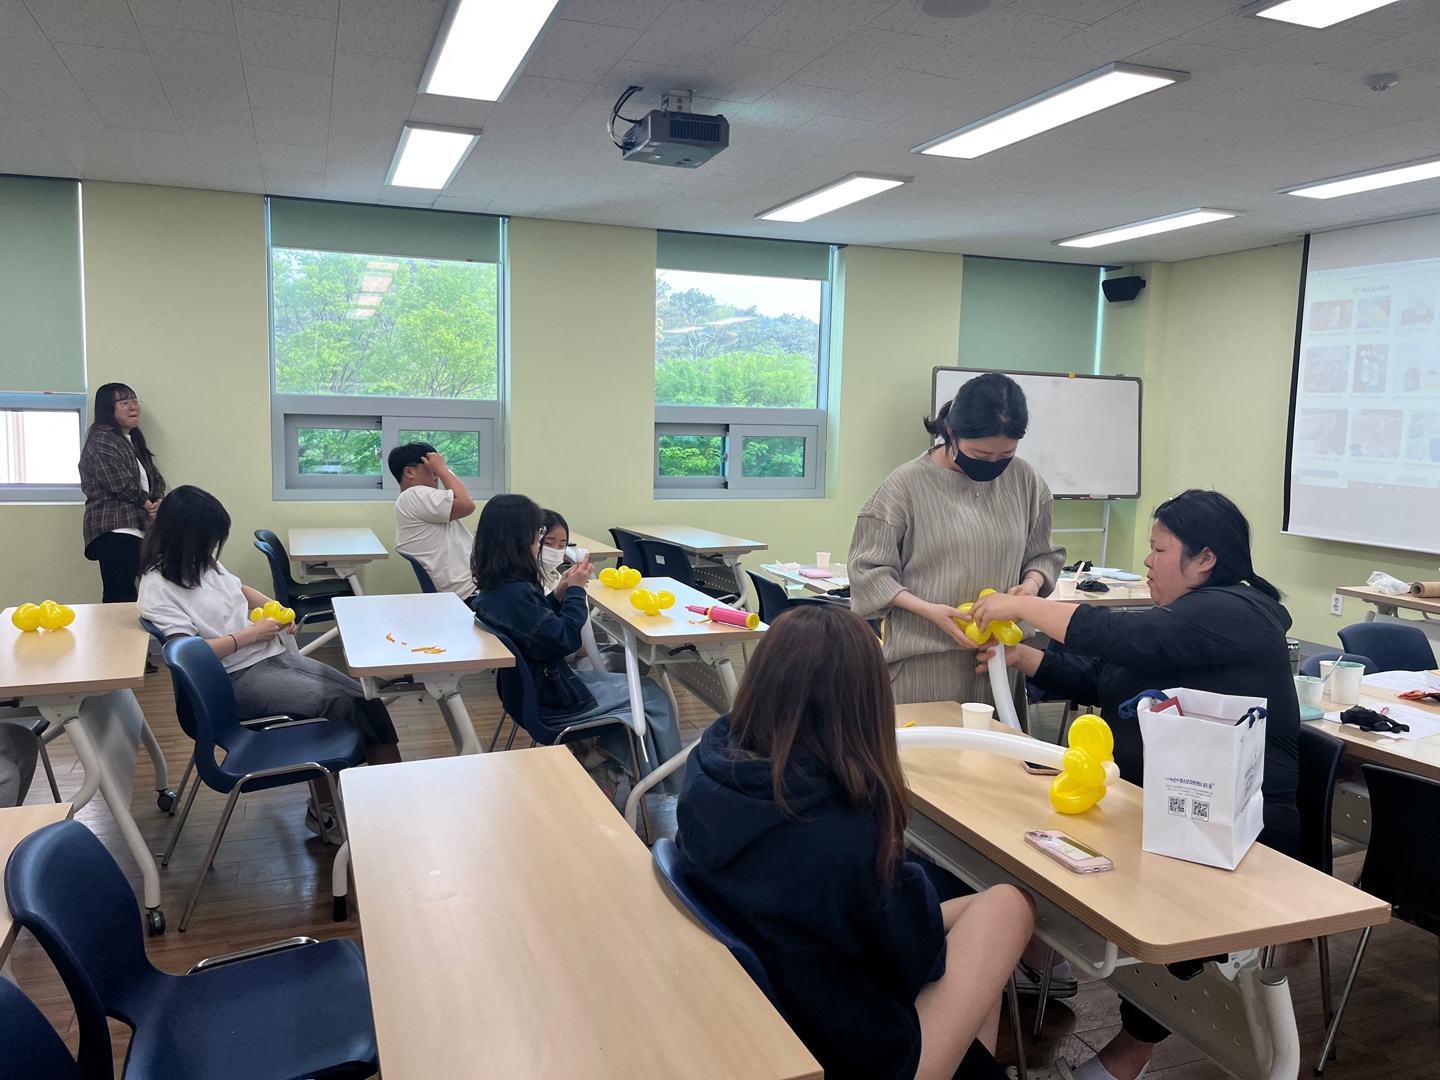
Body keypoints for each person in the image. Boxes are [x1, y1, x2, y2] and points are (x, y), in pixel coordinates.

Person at [968, 488, 1301, 1080]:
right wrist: (1022, 661)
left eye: (1160, 549)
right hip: (1163, 806)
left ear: (1205, 559)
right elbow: (1106, 676)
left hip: (1238, 826)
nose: (1147, 561)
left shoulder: (1236, 611)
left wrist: (1017, 605)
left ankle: (1129, 1051)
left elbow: (1118, 638)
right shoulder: (1185, 619)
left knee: (1157, 927)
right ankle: (1043, 958)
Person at [678, 604, 1034, 1080]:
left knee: (981, 907)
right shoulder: (841, 836)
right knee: (1011, 905)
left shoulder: (710, 764)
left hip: (775, 982)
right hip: (852, 1048)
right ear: (867, 704)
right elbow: (911, 965)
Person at [138, 487, 402, 821]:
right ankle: (331, 810)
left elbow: (238, 587)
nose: (212, 547)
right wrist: (249, 636)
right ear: (184, 537)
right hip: (229, 681)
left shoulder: (202, 563)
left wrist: (273, 608)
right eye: (208, 539)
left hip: (269, 658)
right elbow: (188, 654)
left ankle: (392, 802)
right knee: (337, 705)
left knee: (366, 698)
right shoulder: (158, 586)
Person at [849, 372, 1065, 709]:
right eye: (980, 454)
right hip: (924, 667)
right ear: (952, 433)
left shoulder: (1025, 480)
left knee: (998, 744)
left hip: (998, 662)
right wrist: (929, 611)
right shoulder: (905, 486)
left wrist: (1030, 586)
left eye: (1005, 455)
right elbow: (868, 571)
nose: (993, 465)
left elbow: (1042, 555)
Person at [468, 494, 682, 798]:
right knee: (650, 697)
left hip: (527, 694)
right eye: (539, 533)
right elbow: (564, 639)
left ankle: (602, 763)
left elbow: (535, 626)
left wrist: (559, 593)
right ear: (520, 537)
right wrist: (577, 593)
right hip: (551, 699)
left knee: (638, 688)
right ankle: (657, 787)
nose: (539, 538)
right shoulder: (516, 593)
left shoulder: (496, 588)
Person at [79, 383, 166, 603]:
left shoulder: (133, 440)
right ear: (108, 408)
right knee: (120, 594)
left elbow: (156, 478)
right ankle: (115, 629)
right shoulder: (101, 439)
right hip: (115, 528)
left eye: (135, 401)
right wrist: (148, 504)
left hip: (138, 528)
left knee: (150, 593)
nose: (133, 406)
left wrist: (159, 501)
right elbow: (116, 481)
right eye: (124, 402)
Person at [390, 442, 477, 599]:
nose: (436, 474)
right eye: (430, 468)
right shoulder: (414, 495)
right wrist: (443, 469)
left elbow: (461, 500)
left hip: (471, 585)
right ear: (409, 472)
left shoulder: (417, 499)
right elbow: (467, 504)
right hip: (469, 591)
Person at [539, 508, 571, 595]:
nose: (555, 550)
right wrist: (576, 591)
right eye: (548, 543)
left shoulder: (557, 578)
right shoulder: (525, 583)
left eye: (562, 545)